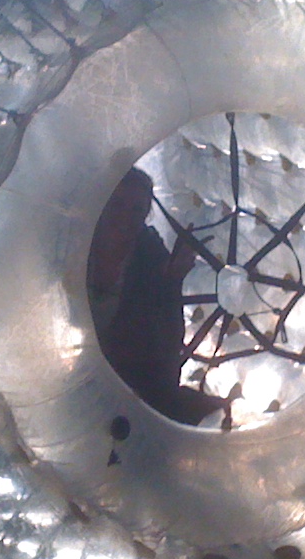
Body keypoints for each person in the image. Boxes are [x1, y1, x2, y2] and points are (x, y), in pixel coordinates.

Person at [87, 168, 224, 425]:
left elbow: (166, 340)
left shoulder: (148, 250)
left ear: (146, 215)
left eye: (137, 210)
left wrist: (174, 280)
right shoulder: (77, 246)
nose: (125, 217)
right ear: (102, 204)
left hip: (124, 375)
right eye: (118, 205)